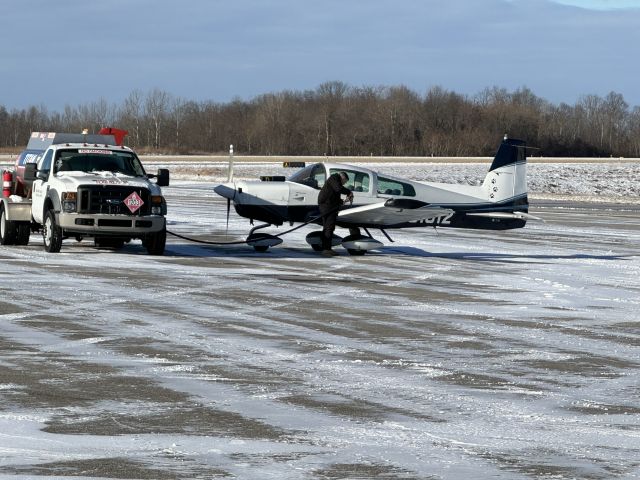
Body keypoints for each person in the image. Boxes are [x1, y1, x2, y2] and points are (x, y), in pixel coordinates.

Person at [317, 171, 353, 255]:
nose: (344, 183)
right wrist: (349, 192)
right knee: (329, 227)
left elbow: (335, 195)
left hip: (327, 205)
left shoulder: (334, 181)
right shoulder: (334, 178)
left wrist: (342, 201)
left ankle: (324, 247)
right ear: (342, 178)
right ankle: (327, 249)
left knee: (326, 227)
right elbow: (338, 189)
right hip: (327, 206)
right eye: (345, 181)